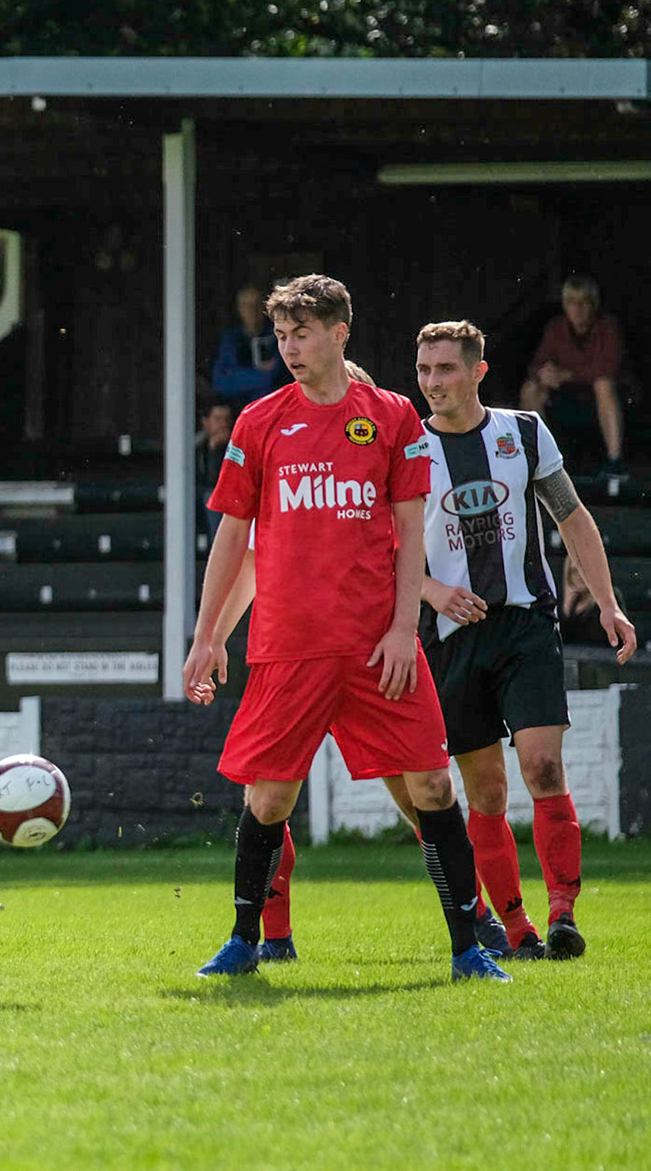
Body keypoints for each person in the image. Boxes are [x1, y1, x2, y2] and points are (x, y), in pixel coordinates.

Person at [183, 274, 509, 982]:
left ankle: (469, 949)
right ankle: (244, 942)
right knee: (269, 798)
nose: (289, 348)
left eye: (301, 334)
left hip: (377, 648)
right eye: (281, 335)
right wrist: (207, 636)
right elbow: (233, 538)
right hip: (287, 647)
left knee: (432, 789)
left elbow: (410, 533)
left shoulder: (391, 417)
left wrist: (402, 628)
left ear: (339, 333)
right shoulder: (258, 423)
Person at [376, 320, 635, 961]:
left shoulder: (523, 432)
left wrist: (608, 603)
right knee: (487, 792)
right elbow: (383, 548)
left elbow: (571, 516)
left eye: (445, 368)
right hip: (450, 637)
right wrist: (434, 593)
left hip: (525, 625)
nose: (432, 382)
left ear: (478, 371)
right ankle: (517, 932)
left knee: (543, 766)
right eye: (424, 369)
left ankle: (564, 914)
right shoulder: (407, 447)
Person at [520, 276, 629, 478]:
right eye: (571, 302)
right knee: (531, 389)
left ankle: (615, 462)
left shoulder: (607, 326)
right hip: (566, 393)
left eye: (583, 302)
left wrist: (568, 374)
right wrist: (543, 373)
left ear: (593, 305)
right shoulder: (556, 327)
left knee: (603, 384)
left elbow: (607, 369)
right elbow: (537, 364)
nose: (577, 309)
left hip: (602, 396)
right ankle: (544, 459)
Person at [210, 284, 286, 408]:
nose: (251, 311)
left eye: (256, 305)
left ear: (265, 308)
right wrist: (262, 375)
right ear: (239, 309)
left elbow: (282, 378)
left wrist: (239, 377)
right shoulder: (231, 340)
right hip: (239, 410)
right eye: (245, 305)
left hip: (274, 408)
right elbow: (220, 383)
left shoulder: (278, 336)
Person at [195, 401, 235, 536]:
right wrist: (213, 449)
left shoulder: (238, 444)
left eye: (226, 419)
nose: (223, 424)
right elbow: (209, 480)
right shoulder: (196, 446)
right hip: (202, 497)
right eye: (218, 419)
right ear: (205, 422)